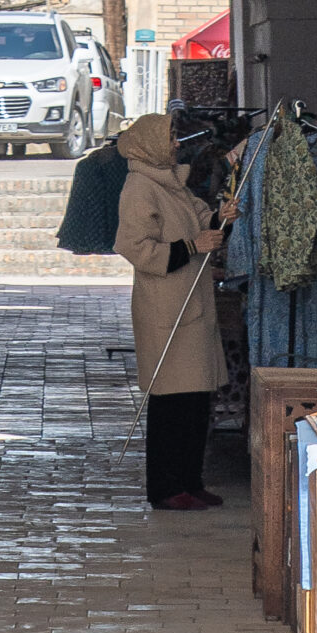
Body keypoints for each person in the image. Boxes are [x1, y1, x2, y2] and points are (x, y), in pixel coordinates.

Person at [113, 111, 226, 511]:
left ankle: (191, 480)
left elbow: (199, 219)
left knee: (196, 398)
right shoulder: (139, 188)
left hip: (192, 302)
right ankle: (165, 487)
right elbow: (135, 246)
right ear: (151, 144)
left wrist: (220, 219)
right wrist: (194, 246)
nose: (177, 144)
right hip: (166, 306)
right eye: (171, 138)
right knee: (171, 401)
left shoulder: (172, 182)